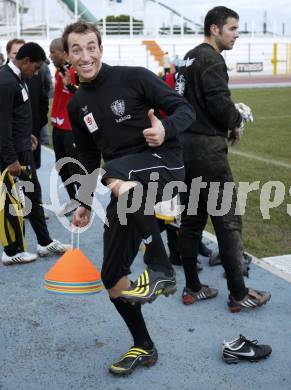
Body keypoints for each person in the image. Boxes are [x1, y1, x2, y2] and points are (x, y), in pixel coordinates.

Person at [63, 21, 195, 375]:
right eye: (77, 49)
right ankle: (144, 345)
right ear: (70, 56)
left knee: (117, 172)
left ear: (101, 49)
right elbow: (90, 157)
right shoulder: (78, 104)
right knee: (112, 276)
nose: (85, 55)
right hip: (127, 182)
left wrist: (164, 128)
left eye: (91, 46)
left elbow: (185, 108)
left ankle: (162, 267)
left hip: (165, 165)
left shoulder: (134, 76)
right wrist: (85, 202)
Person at [176, 6, 271, 311]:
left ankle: (192, 287)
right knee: (228, 223)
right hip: (207, 151)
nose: (236, 34)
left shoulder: (186, 58)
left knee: (191, 221)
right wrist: (236, 119)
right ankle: (239, 293)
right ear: (215, 29)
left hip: (184, 148)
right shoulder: (211, 59)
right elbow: (219, 103)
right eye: (232, 28)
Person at [0, 42, 71, 265]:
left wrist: (28, 135)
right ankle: (11, 252)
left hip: (23, 148)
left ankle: (44, 241)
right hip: (12, 155)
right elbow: (2, 125)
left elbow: (17, 115)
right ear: (26, 61)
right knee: (12, 201)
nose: (37, 72)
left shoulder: (18, 78)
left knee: (33, 196)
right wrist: (10, 158)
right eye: (37, 67)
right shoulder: (4, 81)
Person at [49, 38, 80, 216]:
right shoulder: (58, 71)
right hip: (58, 126)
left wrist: (71, 84)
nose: (50, 55)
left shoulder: (75, 71)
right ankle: (73, 199)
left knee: (75, 167)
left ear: (63, 53)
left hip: (71, 129)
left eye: (52, 51)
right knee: (62, 167)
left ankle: (85, 202)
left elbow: (83, 96)